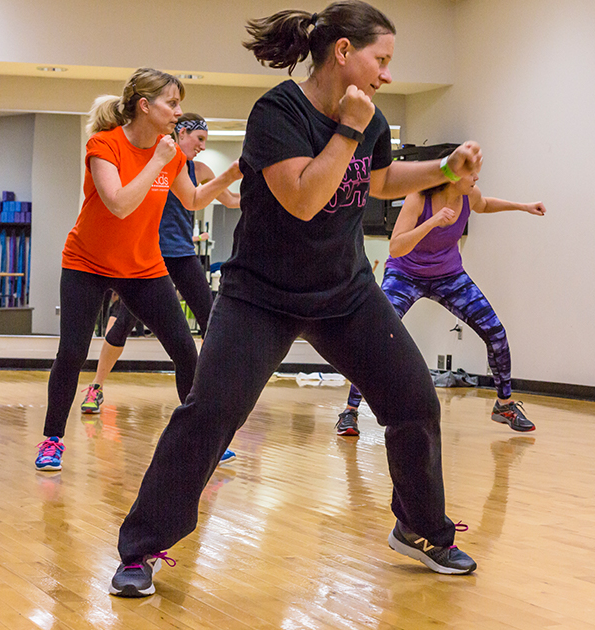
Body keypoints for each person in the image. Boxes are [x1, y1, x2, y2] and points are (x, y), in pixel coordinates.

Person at [109, 1, 483, 598]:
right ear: (343, 52)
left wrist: (443, 167)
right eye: (380, 59)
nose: (386, 74)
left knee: (414, 400)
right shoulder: (277, 112)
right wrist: (350, 129)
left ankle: (420, 527)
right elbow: (305, 197)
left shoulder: (372, 119)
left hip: (346, 291)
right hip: (262, 295)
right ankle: (142, 548)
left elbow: (379, 179)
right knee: (209, 414)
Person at [34, 68, 241, 472]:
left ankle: (199, 442)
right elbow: (119, 203)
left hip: (142, 266)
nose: (179, 112)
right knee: (72, 352)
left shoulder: (171, 153)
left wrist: (229, 177)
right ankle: (52, 440)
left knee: (185, 350)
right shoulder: (103, 145)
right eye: (172, 103)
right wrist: (158, 160)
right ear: (145, 106)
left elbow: (194, 199)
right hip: (86, 263)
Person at [336, 157, 545, 437]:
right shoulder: (419, 198)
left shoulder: (469, 195)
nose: (477, 179)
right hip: (405, 275)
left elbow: (484, 205)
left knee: (496, 332)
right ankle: (350, 412)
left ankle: (504, 405)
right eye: (471, 174)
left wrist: (523, 207)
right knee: (375, 336)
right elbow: (396, 247)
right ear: (452, 176)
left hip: (449, 277)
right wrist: (432, 223)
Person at [81, 112, 239, 465]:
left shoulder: (198, 171)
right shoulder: (154, 160)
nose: (202, 147)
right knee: (121, 324)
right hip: (145, 257)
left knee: (211, 319)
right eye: (198, 139)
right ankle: (96, 387)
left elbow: (228, 200)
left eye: (205, 141)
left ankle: (203, 417)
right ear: (181, 134)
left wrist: (268, 196)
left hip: (182, 254)